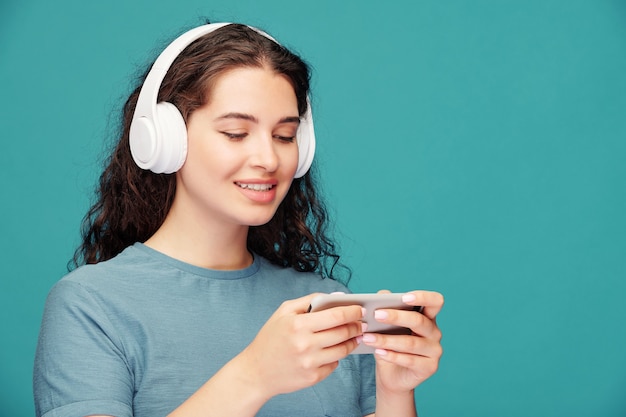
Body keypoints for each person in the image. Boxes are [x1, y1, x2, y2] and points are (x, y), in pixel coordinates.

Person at [33, 22, 444, 417]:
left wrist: (394, 391)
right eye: (235, 133)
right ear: (164, 140)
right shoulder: (90, 305)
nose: (268, 159)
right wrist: (254, 376)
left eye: (284, 136)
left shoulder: (323, 305)